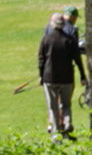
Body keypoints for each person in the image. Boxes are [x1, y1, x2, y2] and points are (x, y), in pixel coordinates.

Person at [35, 8, 86, 137]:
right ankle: (67, 123)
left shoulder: (46, 39)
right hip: (67, 77)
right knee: (66, 104)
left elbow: (41, 59)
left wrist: (41, 75)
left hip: (50, 77)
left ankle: (56, 133)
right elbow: (77, 58)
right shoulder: (69, 39)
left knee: (53, 106)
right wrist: (83, 75)